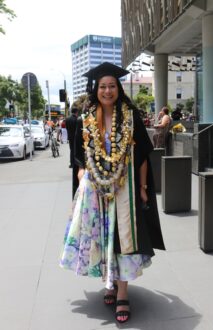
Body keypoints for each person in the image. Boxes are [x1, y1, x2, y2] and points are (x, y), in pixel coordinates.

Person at [59, 62, 165, 324]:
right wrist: (83, 175)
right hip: (95, 189)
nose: (108, 90)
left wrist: (142, 189)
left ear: (118, 88)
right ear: (96, 90)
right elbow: (79, 157)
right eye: (103, 86)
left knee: (122, 238)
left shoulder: (130, 116)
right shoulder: (86, 118)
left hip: (124, 188)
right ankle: (109, 283)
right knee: (101, 236)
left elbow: (141, 157)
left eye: (112, 86)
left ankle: (122, 293)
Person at [65, 106, 79, 197]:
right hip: (75, 137)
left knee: (71, 150)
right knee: (75, 150)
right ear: (76, 112)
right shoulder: (77, 120)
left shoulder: (67, 119)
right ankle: (74, 162)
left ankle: (71, 163)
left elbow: (66, 128)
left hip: (70, 137)